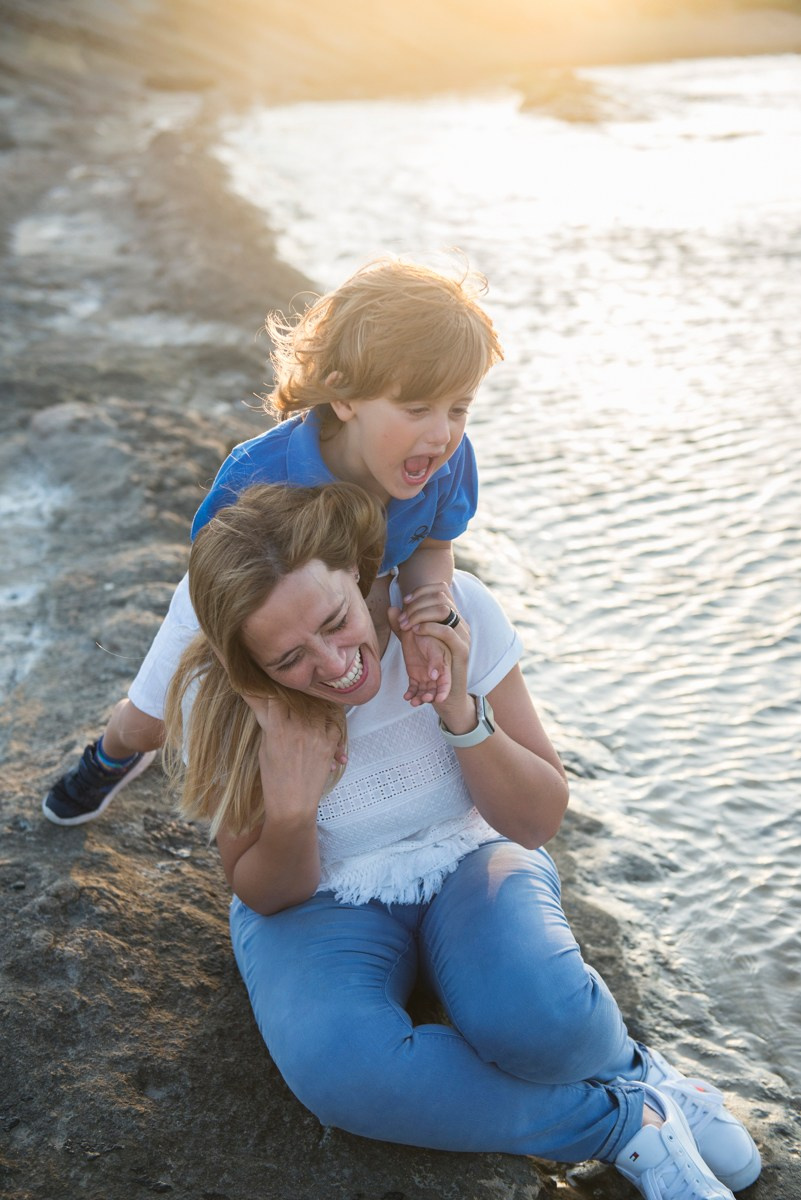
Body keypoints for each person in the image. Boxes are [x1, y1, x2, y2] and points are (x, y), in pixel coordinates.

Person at [163, 481, 761, 1200]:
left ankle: (630, 1063)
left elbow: (536, 822)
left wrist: (459, 712)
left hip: (467, 853)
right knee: (341, 1070)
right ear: (250, 666)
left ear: (357, 571)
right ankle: (625, 1122)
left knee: (538, 1016)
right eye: (288, 659)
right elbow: (261, 890)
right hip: (323, 898)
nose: (329, 663)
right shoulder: (226, 700)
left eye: (334, 620)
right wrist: (290, 811)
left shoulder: (451, 613)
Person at [42, 256, 503, 826]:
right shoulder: (259, 474)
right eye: (416, 409)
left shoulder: (446, 461)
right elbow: (218, 586)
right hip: (238, 601)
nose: (442, 434)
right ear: (344, 395)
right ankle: (112, 756)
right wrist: (265, 694)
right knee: (150, 718)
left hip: (354, 600)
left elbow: (432, 544)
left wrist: (435, 604)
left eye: (459, 408)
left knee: (345, 701)